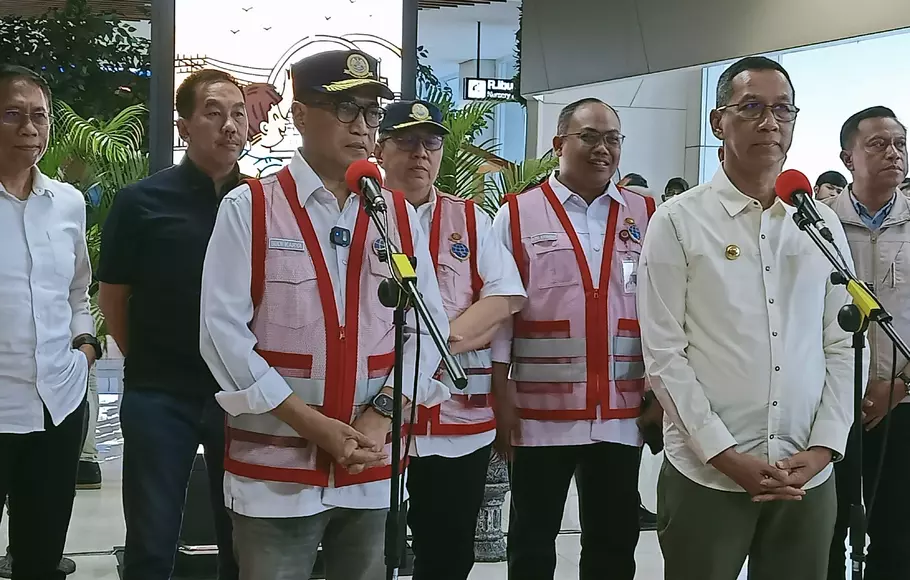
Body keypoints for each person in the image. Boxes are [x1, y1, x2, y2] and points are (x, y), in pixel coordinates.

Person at [199, 50, 450, 580]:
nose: (361, 127)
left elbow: (427, 329)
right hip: (275, 470)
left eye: (371, 113)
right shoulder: (250, 208)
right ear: (300, 114)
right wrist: (313, 425)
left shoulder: (396, 215)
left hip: (371, 463)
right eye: (345, 109)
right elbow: (222, 335)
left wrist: (383, 414)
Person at [639, 56, 855, 580]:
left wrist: (826, 445)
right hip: (708, 474)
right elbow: (665, 356)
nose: (770, 122)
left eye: (783, 109)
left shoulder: (820, 222)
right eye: (751, 107)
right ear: (718, 121)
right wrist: (723, 454)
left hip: (805, 469)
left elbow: (841, 343)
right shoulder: (678, 221)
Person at [493, 97, 655, 580]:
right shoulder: (517, 215)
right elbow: (501, 315)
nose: (602, 149)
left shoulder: (646, 214)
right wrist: (500, 396)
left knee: (613, 539)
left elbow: (666, 310)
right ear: (559, 143)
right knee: (532, 540)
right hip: (540, 416)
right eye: (589, 137)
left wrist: (660, 395)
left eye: (612, 139)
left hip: (622, 413)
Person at [98, 69, 246, 580]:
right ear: (183, 125)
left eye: (238, 114)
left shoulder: (260, 204)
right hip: (159, 394)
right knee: (153, 541)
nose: (230, 126)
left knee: (243, 539)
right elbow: (113, 296)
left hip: (239, 395)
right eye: (214, 112)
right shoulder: (141, 202)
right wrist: (144, 357)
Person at [374, 100, 526, 580]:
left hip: (458, 422)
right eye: (406, 140)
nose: (421, 153)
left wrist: (434, 343)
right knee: (364, 551)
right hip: (373, 417)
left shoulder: (471, 220)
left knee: (448, 553)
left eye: (432, 142)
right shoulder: (359, 213)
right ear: (380, 148)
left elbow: (503, 299)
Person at [0, 64, 99, 580]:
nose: (29, 128)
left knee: (40, 557)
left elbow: (77, 290)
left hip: (57, 405)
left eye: (39, 116)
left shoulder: (68, 202)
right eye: (13, 115)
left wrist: (85, 347)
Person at [824, 106, 910, 580]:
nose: (893, 153)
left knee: (898, 536)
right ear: (848, 156)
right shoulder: (815, 225)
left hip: (902, 405)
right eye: (877, 144)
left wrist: (898, 384)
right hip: (830, 406)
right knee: (825, 532)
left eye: (899, 143)